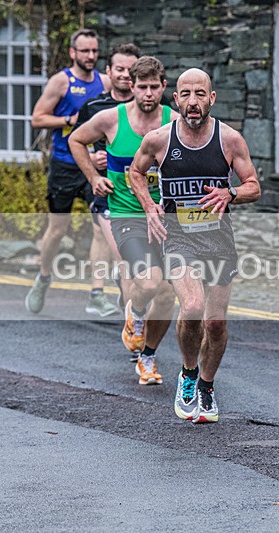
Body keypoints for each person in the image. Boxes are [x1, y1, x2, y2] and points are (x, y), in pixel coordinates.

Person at [128, 68, 260, 423]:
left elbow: (253, 186)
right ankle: (187, 374)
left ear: (211, 98)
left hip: (218, 240)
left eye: (200, 94)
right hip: (178, 237)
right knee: (193, 305)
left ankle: (206, 384)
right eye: (185, 94)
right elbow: (135, 172)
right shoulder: (159, 139)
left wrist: (229, 192)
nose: (193, 102)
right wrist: (149, 206)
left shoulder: (230, 139)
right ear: (176, 100)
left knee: (215, 323)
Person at [69, 56, 178, 385]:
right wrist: (92, 176)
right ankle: (135, 313)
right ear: (131, 86)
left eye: (153, 87)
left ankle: (147, 356)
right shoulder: (111, 119)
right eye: (142, 87)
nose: (148, 94)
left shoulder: (175, 122)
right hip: (125, 213)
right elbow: (75, 140)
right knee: (148, 283)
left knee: (168, 293)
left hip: (166, 217)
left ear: (163, 87)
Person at [25, 29, 119, 318]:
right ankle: (43, 277)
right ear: (72, 53)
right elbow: (37, 118)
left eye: (94, 51)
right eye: (85, 51)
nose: (90, 56)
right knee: (57, 230)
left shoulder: (105, 82)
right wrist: (69, 120)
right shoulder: (61, 81)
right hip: (65, 165)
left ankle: (97, 293)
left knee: (101, 226)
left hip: (94, 167)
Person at [73, 43, 141, 319]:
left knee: (135, 260)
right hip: (107, 188)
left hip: (144, 193)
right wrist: (93, 163)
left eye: (131, 70)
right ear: (109, 71)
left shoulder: (155, 110)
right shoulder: (94, 107)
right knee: (116, 246)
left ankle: (131, 307)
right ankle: (104, 296)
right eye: (120, 69)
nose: (125, 75)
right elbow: (76, 143)